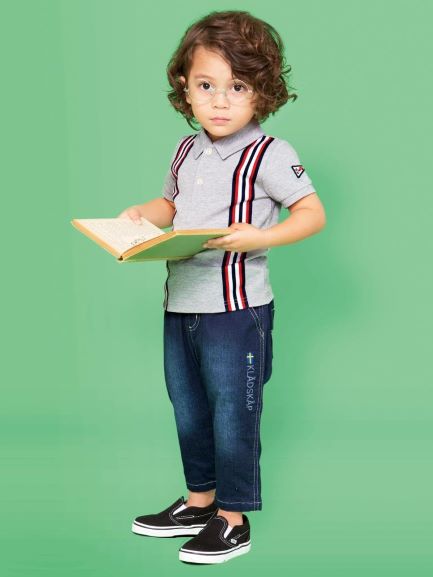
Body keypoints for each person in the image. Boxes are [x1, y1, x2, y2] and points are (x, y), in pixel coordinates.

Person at [118, 10, 326, 564]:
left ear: (263, 90)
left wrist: (262, 236)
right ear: (184, 88)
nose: (220, 101)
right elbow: (171, 205)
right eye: (206, 86)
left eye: (238, 87)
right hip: (181, 303)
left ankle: (233, 520)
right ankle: (199, 503)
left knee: (233, 412)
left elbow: (312, 213)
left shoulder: (270, 154)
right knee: (188, 408)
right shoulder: (185, 150)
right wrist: (141, 214)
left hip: (237, 312)